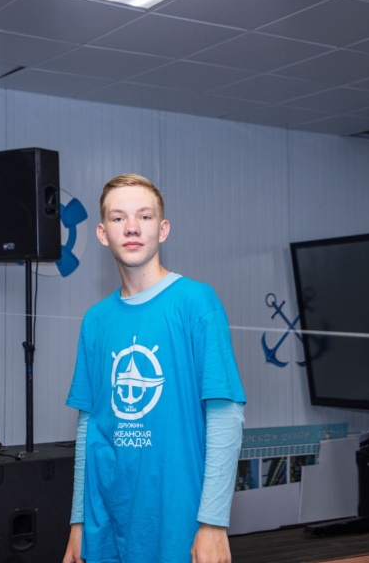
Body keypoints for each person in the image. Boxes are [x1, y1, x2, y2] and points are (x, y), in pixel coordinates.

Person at [63, 174, 247, 563]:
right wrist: (78, 521)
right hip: (106, 523)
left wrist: (213, 523)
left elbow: (225, 415)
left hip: (178, 522)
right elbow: (88, 427)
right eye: (118, 218)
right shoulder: (95, 320)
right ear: (102, 233)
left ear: (162, 230)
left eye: (144, 217)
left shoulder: (196, 302)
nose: (131, 228)